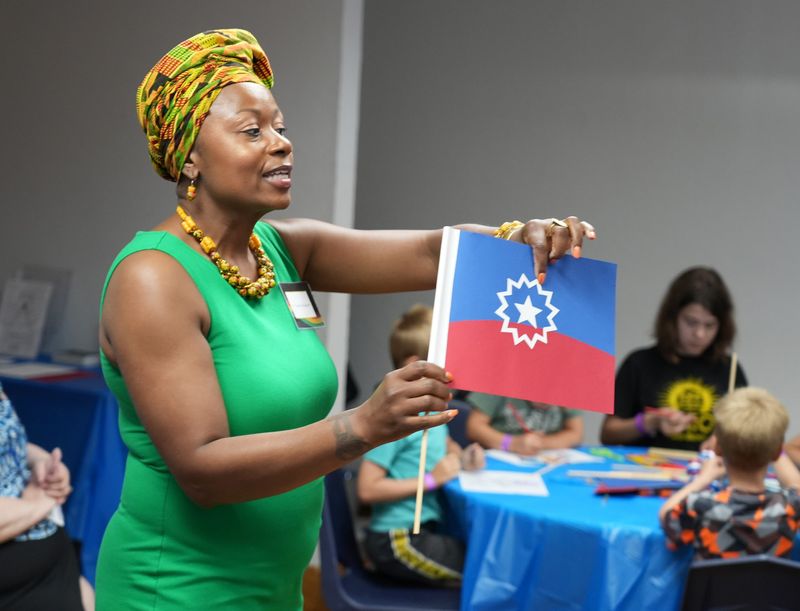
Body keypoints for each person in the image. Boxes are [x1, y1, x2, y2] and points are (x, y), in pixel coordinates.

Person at [95, 28, 596, 609]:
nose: (281, 143)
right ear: (189, 159)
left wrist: (523, 238)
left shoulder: (279, 250)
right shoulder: (152, 279)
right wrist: (362, 427)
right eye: (252, 131)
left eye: (280, 127)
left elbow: (436, 254)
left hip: (273, 587)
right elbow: (203, 471)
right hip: (177, 589)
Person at [356, 304, 484, 586]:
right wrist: (431, 480)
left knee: (487, 557)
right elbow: (367, 489)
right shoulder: (394, 419)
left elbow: (447, 446)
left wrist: (463, 455)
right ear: (416, 364)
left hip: (424, 531)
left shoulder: (431, 412)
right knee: (485, 572)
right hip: (396, 538)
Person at [600, 266, 747, 451]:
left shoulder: (730, 368)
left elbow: (749, 432)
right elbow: (608, 434)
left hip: (707, 472)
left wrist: (725, 440)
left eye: (710, 325)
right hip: (647, 474)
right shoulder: (639, 363)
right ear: (672, 317)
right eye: (691, 322)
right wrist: (650, 422)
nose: (700, 334)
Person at [659, 387, 800, 559]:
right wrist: (773, 446)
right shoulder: (790, 506)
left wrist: (703, 479)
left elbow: (665, 514)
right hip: (773, 587)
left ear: (717, 448)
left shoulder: (700, 506)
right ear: (777, 452)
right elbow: (796, 485)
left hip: (711, 587)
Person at [0, 384, 94, 610]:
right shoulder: (40, 505)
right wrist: (44, 502)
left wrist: (42, 462)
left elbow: (10, 441)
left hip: (55, 573)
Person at [465, 393, 583, 455]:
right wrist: (512, 443)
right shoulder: (501, 380)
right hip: (499, 456)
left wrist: (542, 443)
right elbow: (474, 427)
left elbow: (575, 433)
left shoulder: (567, 387)